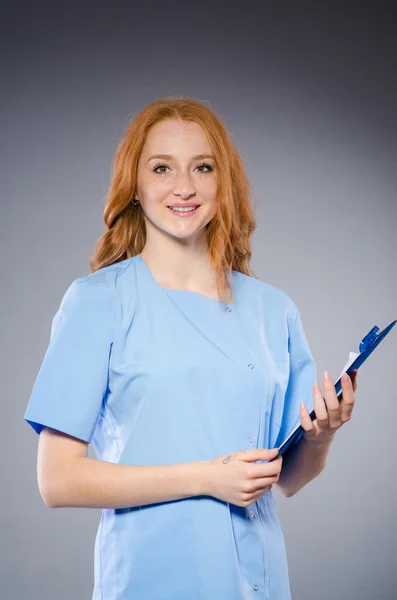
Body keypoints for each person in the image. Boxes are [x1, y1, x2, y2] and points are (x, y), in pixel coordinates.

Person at [23, 97, 358, 600]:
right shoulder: (99, 302)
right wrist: (205, 478)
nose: (184, 186)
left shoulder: (273, 310)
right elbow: (58, 480)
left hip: (259, 578)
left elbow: (287, 479)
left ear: (224, 183)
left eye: (203, 167)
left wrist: (323, 435)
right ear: (134, 186)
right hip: (150, 576)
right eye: (162, 168)